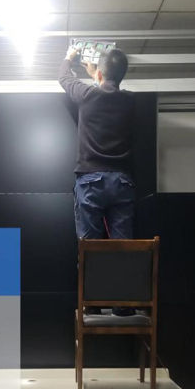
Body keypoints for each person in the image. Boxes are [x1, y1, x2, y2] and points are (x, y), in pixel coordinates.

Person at [59, 46, 136, 316]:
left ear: (100, 74)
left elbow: (64, 78)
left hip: (91, 180)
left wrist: (69, 58)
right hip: (122, 183)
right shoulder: (130, 101)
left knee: (90, 247)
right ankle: (122, 306)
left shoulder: (88, 95)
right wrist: (98, 75)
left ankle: (92, 305)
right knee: (123, 248)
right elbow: (110, 88)